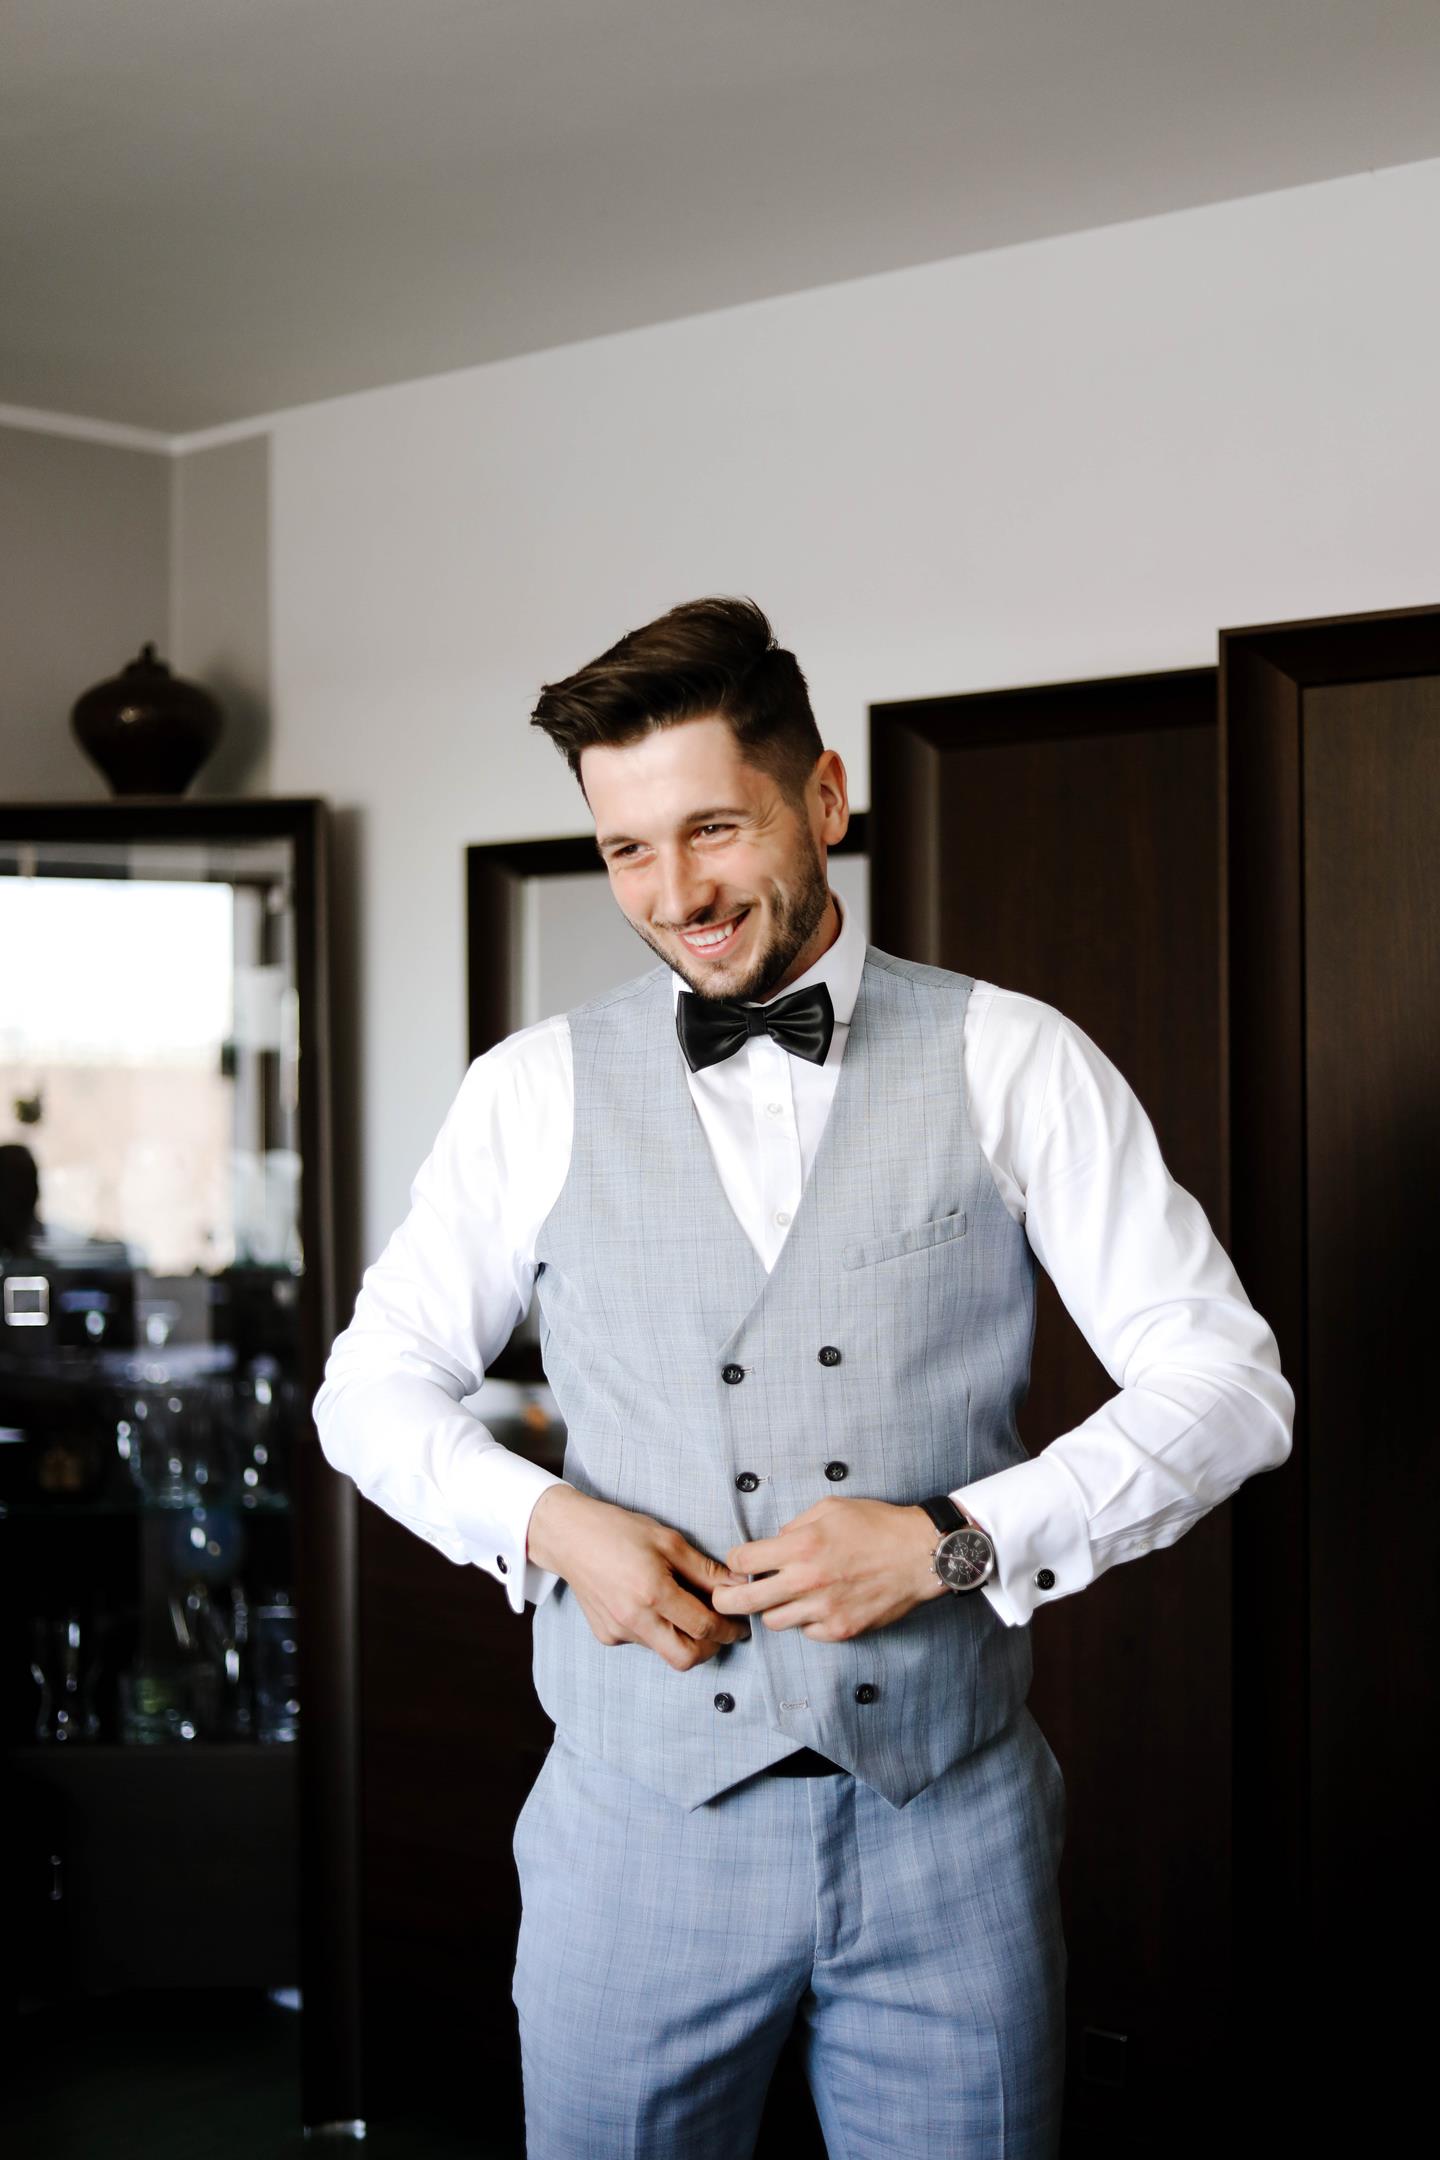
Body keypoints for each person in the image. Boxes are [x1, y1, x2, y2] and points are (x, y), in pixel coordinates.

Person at [313, 596, 1294, 2159]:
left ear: (824, 798)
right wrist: (551, 1525)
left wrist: (954, 1538)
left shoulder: (1014, 1056)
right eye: (628, 849)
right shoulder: (530, 1091)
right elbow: (367, 1388)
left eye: (715, 828)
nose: (677, 894)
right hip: (632, 1831)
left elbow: (1229, 1384)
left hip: (951, 1831)